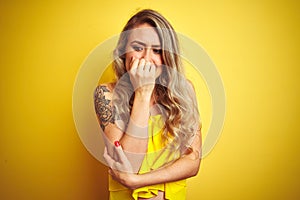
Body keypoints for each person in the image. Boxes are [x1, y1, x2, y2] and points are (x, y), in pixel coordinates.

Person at [94, 9, 202, 200]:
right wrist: (143, 92)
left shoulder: (185, 90)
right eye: (137, 47)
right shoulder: (106, 94)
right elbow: (130, 163)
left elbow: (192, 163)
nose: (146, 58)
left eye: (157, 50)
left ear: (167, 56)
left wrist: (137, 182)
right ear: (123, 52)